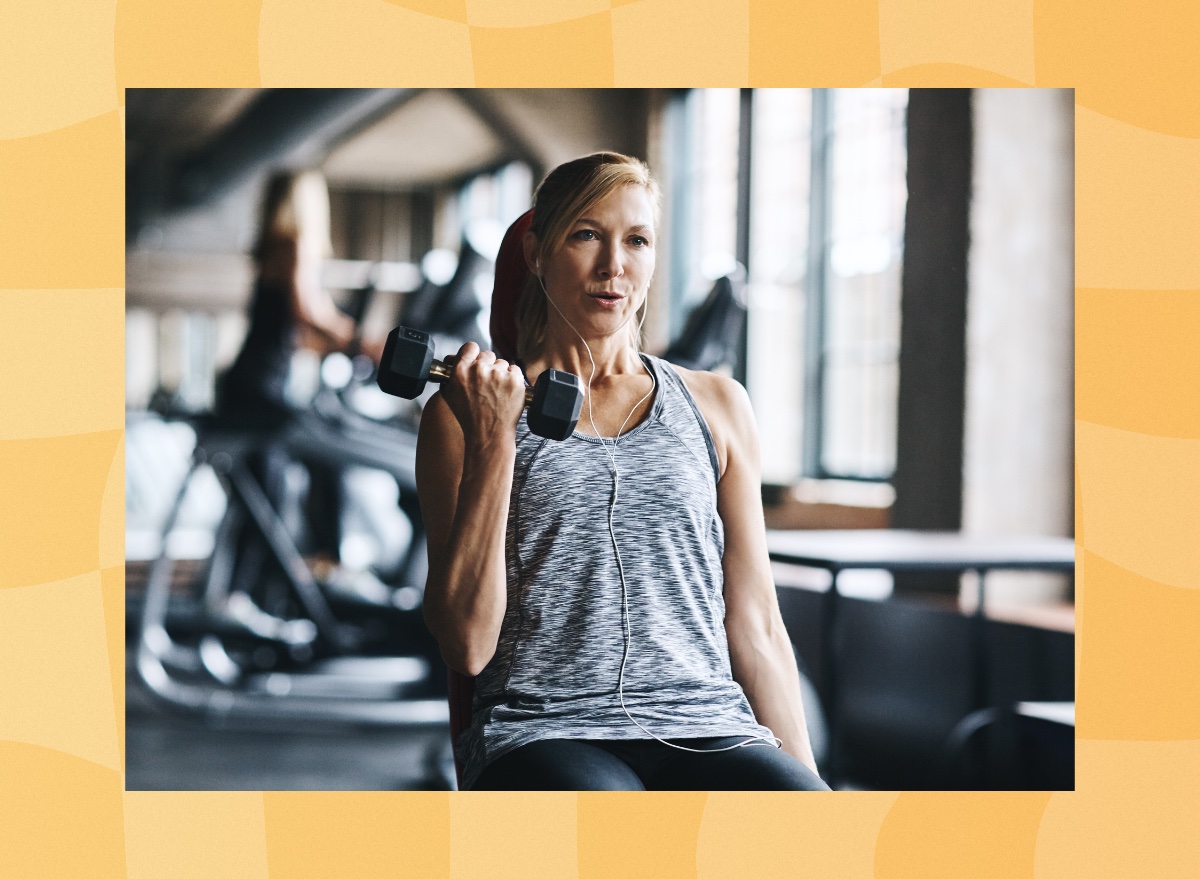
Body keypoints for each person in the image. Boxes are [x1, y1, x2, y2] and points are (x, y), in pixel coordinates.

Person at [416, 152, 830, 791]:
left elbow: (756, 624)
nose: (615, 266)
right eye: (587, 235)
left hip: (708, 724)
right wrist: (498, 438)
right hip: (545, 728)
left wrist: (813, 794)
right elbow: (467, 645)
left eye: (636, 240)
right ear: (536, 251)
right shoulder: (463, 415)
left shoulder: (718, 405)